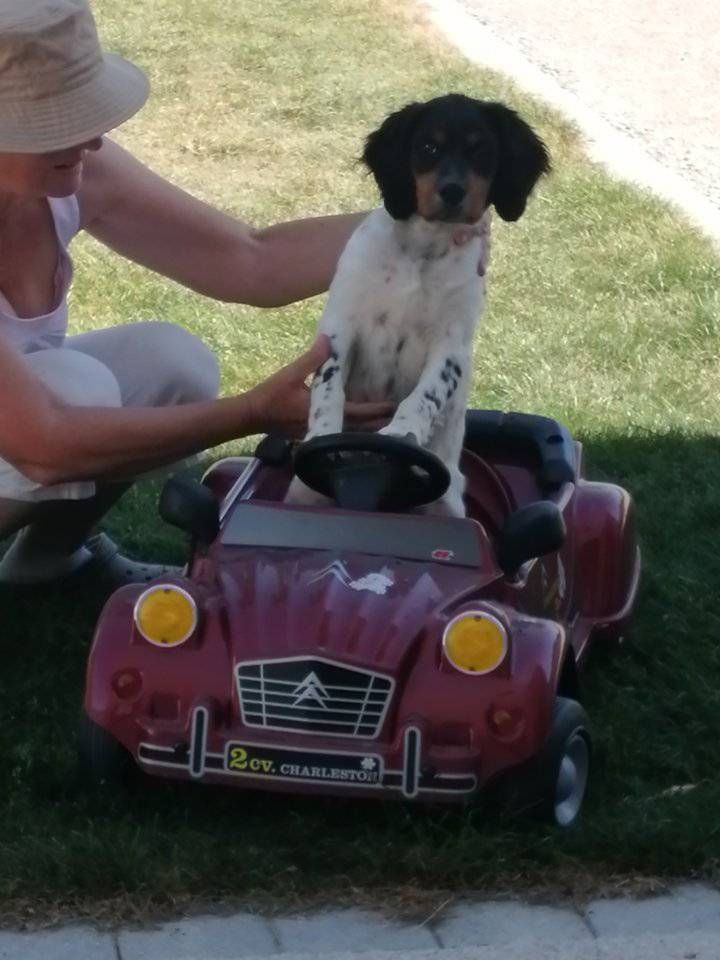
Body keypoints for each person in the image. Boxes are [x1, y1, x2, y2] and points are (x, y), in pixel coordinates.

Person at [0, 0, 392, 590]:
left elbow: (249, 259)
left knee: (171, 361)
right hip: (33, 432)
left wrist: (411, 229)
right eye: (53, 122)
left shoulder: (71, 170)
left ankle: (48, 560)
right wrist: (253, 413)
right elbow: (45, 442)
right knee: (77, 391)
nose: (94, 138)